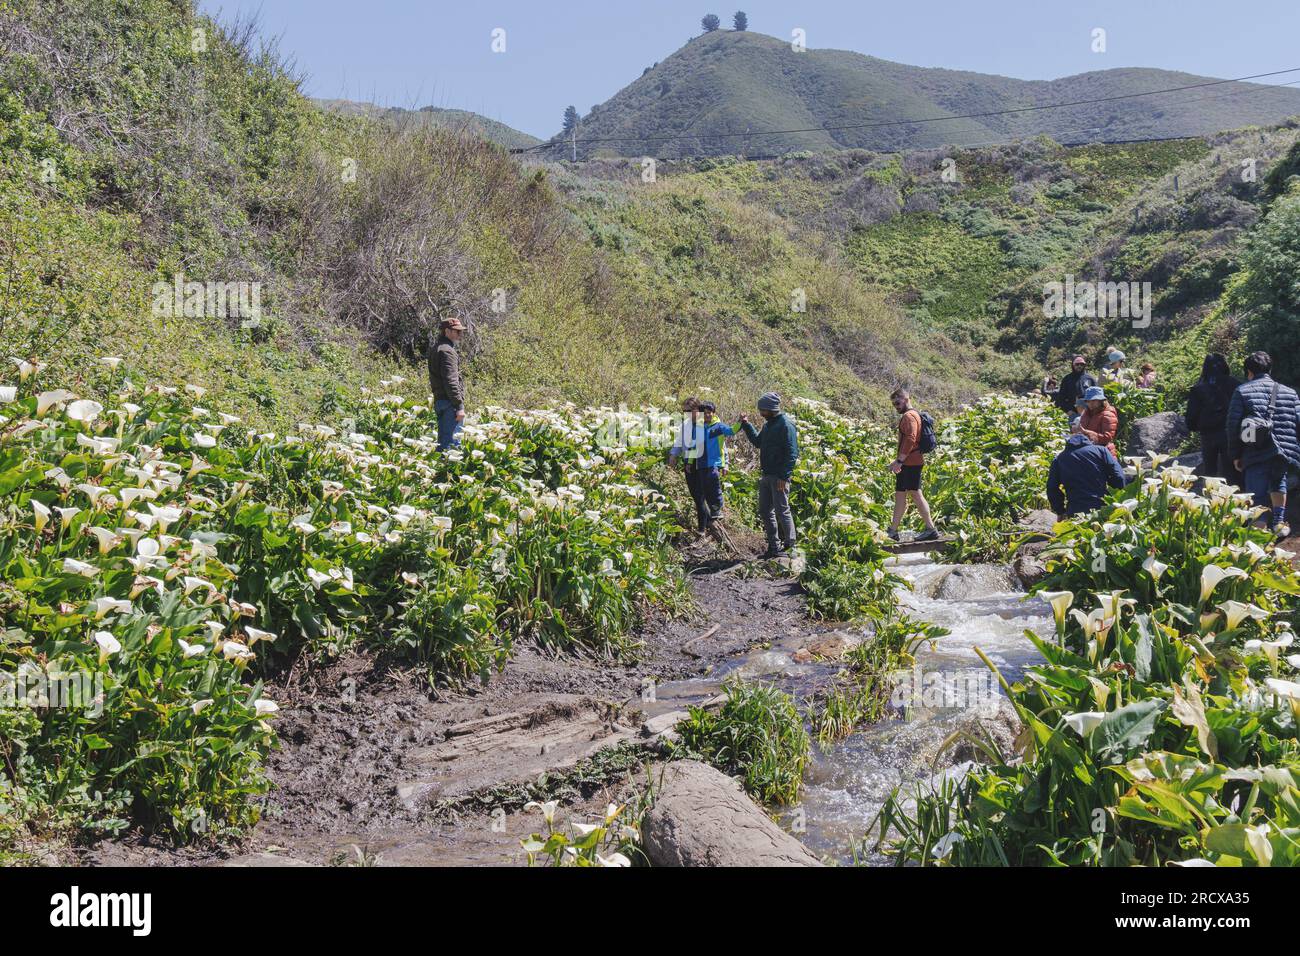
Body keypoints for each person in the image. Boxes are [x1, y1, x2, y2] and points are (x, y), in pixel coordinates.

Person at [1226, 351, 1298, 540]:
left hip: (1254, 449)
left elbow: (1232, 426)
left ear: (1249, 371)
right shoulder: (1289, 393)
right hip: (1284, 449)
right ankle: (1279, 524)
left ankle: (1259, 529)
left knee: (1256, 492)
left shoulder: (1242, 391)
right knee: (1278, 482)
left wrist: (1235, 455)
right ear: (1269, 369)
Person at [739, 392, 798, 558]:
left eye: (762, 410)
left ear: (771, 409)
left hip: (779, 477)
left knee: (782, 511)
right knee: (765, 511)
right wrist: (746, 425)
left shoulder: (786, 424)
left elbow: (792, 453)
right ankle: (774, 547)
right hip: (767, 475)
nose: (760, 413)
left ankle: (790, 548)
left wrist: (784, 476)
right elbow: (758, 442)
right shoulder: (768, 425)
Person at [668, 398, 733, 532]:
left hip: (705, 464)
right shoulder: (685, 424)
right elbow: (680, 442)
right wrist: (673, 455)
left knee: (701, 496)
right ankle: (708, 526)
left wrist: (726, 463)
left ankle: (703, 529)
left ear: (697, 410)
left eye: (688, 410)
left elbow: (721, 446)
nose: (685, 413)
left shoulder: (707, 424)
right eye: (683, 411)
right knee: (696, 497)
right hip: (689, 463)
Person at [886, 388, 940, 542]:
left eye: (898, 402)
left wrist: (900, 461)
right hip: (907, 462)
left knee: (915, 494)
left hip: (912, 463)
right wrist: (898, 461)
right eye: (894, 404)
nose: (896, 406)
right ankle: (893, 531)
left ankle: (931, 529)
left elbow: (910, 439)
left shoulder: (909, 416)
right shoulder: (910, 415)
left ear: (906, 398)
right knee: (900, 495)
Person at [1185, 353, 1241, 486]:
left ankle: (1210, 500)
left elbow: (1191, 416)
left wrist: (1195, 426)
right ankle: (1234, 499)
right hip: (1229, 432)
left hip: (1207, 434)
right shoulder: (1234, 384)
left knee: (1210, 470)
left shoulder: (1198, 387)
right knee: (1231, 470)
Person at [1047, 432, 1128, 518]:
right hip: (1102, 506)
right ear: (1089, 440)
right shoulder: (1101, 451)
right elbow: (1118, 476)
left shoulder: (1059, 459)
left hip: (1075, 509)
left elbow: (1052, 488)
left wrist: (1060, 511)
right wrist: (1115, 498)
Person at [428, 316, 466, 450]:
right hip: (450, 403)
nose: (460, 334)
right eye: (457, 331)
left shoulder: (437, 348)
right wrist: (459, 405)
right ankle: (447, 471)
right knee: (452, 447)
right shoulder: (447, 351)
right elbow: (451, 381)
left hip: (440, 400)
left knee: (443, 444)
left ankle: (440, 469)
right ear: (447, 331)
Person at [1078, 386, 1119, 458]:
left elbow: (1107, 437)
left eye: (1094, 400)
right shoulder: (1086, 412)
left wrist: (1089, 433)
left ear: (1101, 401)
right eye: (1088, 401)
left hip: (1103, 454)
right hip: (1088, 451)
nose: (1090, 403)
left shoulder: (1108, 414)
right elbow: (1082, 429)